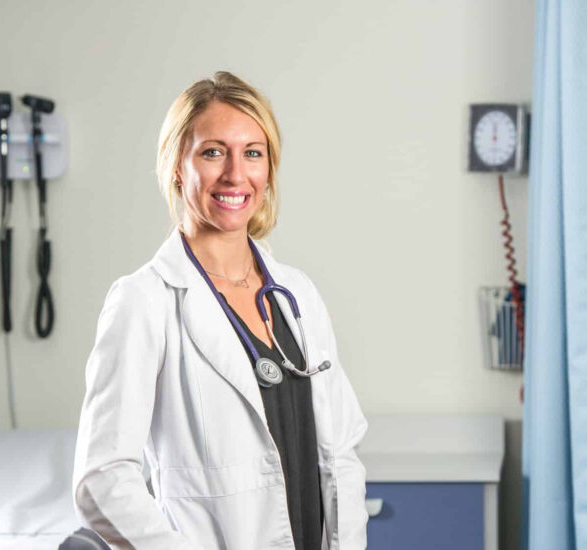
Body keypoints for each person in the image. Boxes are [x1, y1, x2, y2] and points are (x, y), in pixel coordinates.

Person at [72, 71, 368, 550]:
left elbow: (342, 455)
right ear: (175, 166)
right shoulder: (145, 301)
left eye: (253, 152)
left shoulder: (298, 294)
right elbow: (101, 479)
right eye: (213, 152)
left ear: (269, 168)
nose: (235, 174)